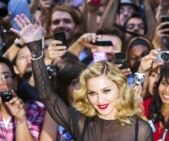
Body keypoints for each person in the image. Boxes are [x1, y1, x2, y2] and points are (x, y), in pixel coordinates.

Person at [11, 14, 153, 141]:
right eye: (92, 93)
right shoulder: (80, 122)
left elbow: (137, 91)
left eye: (106, 91)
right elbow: (46, 94)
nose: (100, 99)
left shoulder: (140, 129)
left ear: (120, 89)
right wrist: (36, 50)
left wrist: (141, 71)